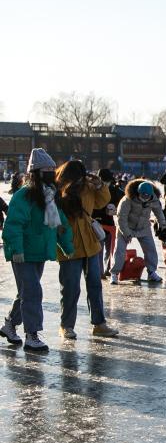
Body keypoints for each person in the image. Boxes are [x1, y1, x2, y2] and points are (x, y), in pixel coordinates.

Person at [1, 148, 75, 352]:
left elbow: (60, 225)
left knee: (26, 292)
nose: (52, 173)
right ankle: (32, 334)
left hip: (39, 252)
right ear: (36, 172)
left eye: (53, 169)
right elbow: (14, 224)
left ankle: (9, 325)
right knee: (33, 291)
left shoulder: (50, 196)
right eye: (47, 169)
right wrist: (16, 249)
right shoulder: (23, 195)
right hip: (22, 253)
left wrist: (67, 246)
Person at [54, 160, 120, 340]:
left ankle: (99, 324)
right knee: (70, 288)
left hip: (90, 243)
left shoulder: (88, 187)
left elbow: (102, 202)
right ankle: (66, 326)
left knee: (95, 285)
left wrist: (100, 186)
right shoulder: (57, 190)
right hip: (69, 245)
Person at [111, 180, 166, 284]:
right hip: (126, 226)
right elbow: (121, 218)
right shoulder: (127, 200)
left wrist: (162, 224)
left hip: (143, 227)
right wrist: (127, 233)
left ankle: (151, 272)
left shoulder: (154, 200)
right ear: (138, 193)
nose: (144, 198)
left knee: (151, 249)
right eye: (142, 196)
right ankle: (114, 273)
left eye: (147, 196)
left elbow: (159, 213)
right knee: (120, 250)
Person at [92, 168, 124, 275]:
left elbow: (124, 202)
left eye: (108, 181)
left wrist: (115, 210)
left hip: (110, 224)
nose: (106, 183)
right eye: (104, 181)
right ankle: (100, 272)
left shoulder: (115, 190)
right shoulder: (93, 190)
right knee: (98, 250)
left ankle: (109, 270)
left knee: (111, 249)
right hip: (96, 223)